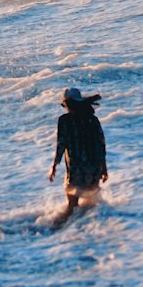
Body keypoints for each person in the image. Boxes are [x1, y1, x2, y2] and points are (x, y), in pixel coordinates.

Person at [49, 87, 107, 227]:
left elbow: (61, 144)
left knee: (72, 206)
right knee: (91, 205)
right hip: (93, 168)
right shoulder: (92, 119)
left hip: (76, 169)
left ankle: (58, 229)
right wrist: (104, 168)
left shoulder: (64, 120)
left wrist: (54, 165)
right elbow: (101, 144)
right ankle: (89, 230)